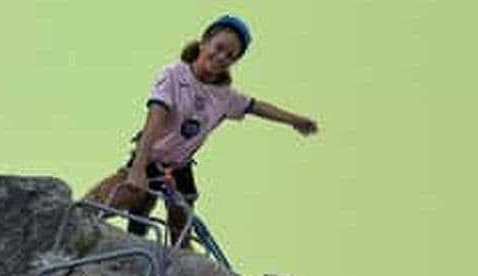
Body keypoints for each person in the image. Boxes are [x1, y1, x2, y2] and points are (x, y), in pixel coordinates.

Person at [83, 14, 319, 246]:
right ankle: (84, 215)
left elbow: (255, 106)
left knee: (181, 216)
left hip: (178, 166)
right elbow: (155, 118)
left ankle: (177, 259)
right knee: (133, 195)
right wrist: (138, 167)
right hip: (151, 156)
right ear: (204, 41)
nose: (221, 57)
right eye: (219, 47)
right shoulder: (174, 75)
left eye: (230, 56)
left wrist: (294, 120)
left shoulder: (224, 97)